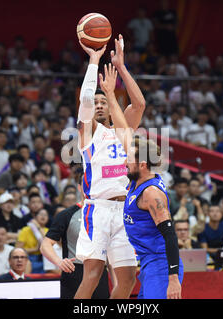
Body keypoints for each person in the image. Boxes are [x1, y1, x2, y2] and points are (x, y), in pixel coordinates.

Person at [74, 35, 145, 299]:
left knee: (127, 279)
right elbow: (85, 102)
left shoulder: (123, 130)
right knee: (92, 276)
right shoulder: (88, 134)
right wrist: (94, 61)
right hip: (99, 210)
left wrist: (122, 67)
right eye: (97, 103)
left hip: (125, 210)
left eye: (105, 101)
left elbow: (139, 104)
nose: (100, 104)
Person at [124, 137, 183, 299]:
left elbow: (170, 235)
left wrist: (173, 278)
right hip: (148, 262)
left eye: (129, 160)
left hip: (161, 264)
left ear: (142, 165)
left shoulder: (151, 193)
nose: (124, 163)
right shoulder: (136, 182)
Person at [41, 172, 110, 299]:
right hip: (74, 272)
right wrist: (59, 262)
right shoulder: (66, 215)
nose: (91, 186)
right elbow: (45, 244)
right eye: (87, 183)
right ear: (79, 187)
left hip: (100, 271)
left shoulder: (107, 214)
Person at [16, 208, 52, 274]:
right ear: (35, 217)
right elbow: (18, 249)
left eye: (45, 215)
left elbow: (49, 245)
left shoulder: (50, 231)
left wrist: (38, 227)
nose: (43, 216)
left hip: (45, 260)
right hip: (29, 258)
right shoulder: (26, 230)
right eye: (41, 214)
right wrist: (34, 249)